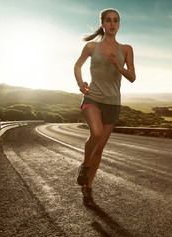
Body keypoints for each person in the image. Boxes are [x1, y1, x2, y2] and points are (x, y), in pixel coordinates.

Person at [73, 8, 136, 206]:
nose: (112, 24)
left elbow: (132, 77)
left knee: (99, 150)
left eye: (115, 21)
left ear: (119, 24)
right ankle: (84, 167)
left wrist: (119, 67)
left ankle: (88, 189)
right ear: (102, 24)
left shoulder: (126, 49)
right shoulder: (92, 47)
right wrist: (80, 83)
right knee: (97, 133)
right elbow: (77, 65)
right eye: (108, 20)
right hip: (93, 98)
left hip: (113, 102)